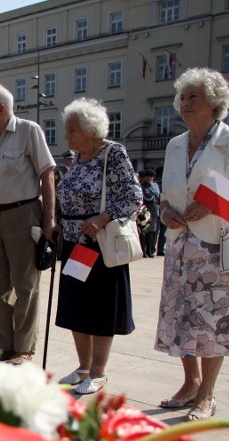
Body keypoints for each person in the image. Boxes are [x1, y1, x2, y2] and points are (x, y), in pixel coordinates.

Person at [155, 68, 229, 421]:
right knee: (182, 318)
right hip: (181, 244)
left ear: (214, 102)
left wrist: (215, 202)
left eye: (194, 97)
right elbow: (167, 194)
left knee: (213, 321)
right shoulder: (175, 145)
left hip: (217, 247)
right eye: (183, 97)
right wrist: (164, 212)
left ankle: (207, 394)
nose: (185, 103)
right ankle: (190, 384)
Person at [54, 98, 142, 394]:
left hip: (100, 245)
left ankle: (99, 371)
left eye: (73, 130)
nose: (67, 136)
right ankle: (83, 367)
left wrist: (103, 218)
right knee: (77, 307)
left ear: (91, 129)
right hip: (74, 243)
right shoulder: (78, 157)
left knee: (101, 309)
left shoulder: (113, 153)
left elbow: (133, 197)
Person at [0, 82, 56, 365]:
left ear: (1, 109)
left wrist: (49, 220)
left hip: (24, 214)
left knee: (25, 286)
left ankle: (23, 346)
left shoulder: (29, 131)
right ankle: (4, 345)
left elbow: (47, 175)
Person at [140, 169, 161, 257]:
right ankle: (144, 251)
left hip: (155, 210)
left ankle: (151, 250)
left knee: (154, 232)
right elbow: (146, 198)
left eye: (151, 177)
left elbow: (159, 196)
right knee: (145, 232)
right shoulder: (142, 186)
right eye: (147, 176)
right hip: (146, 210)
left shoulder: (156, 185)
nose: (149, 178)